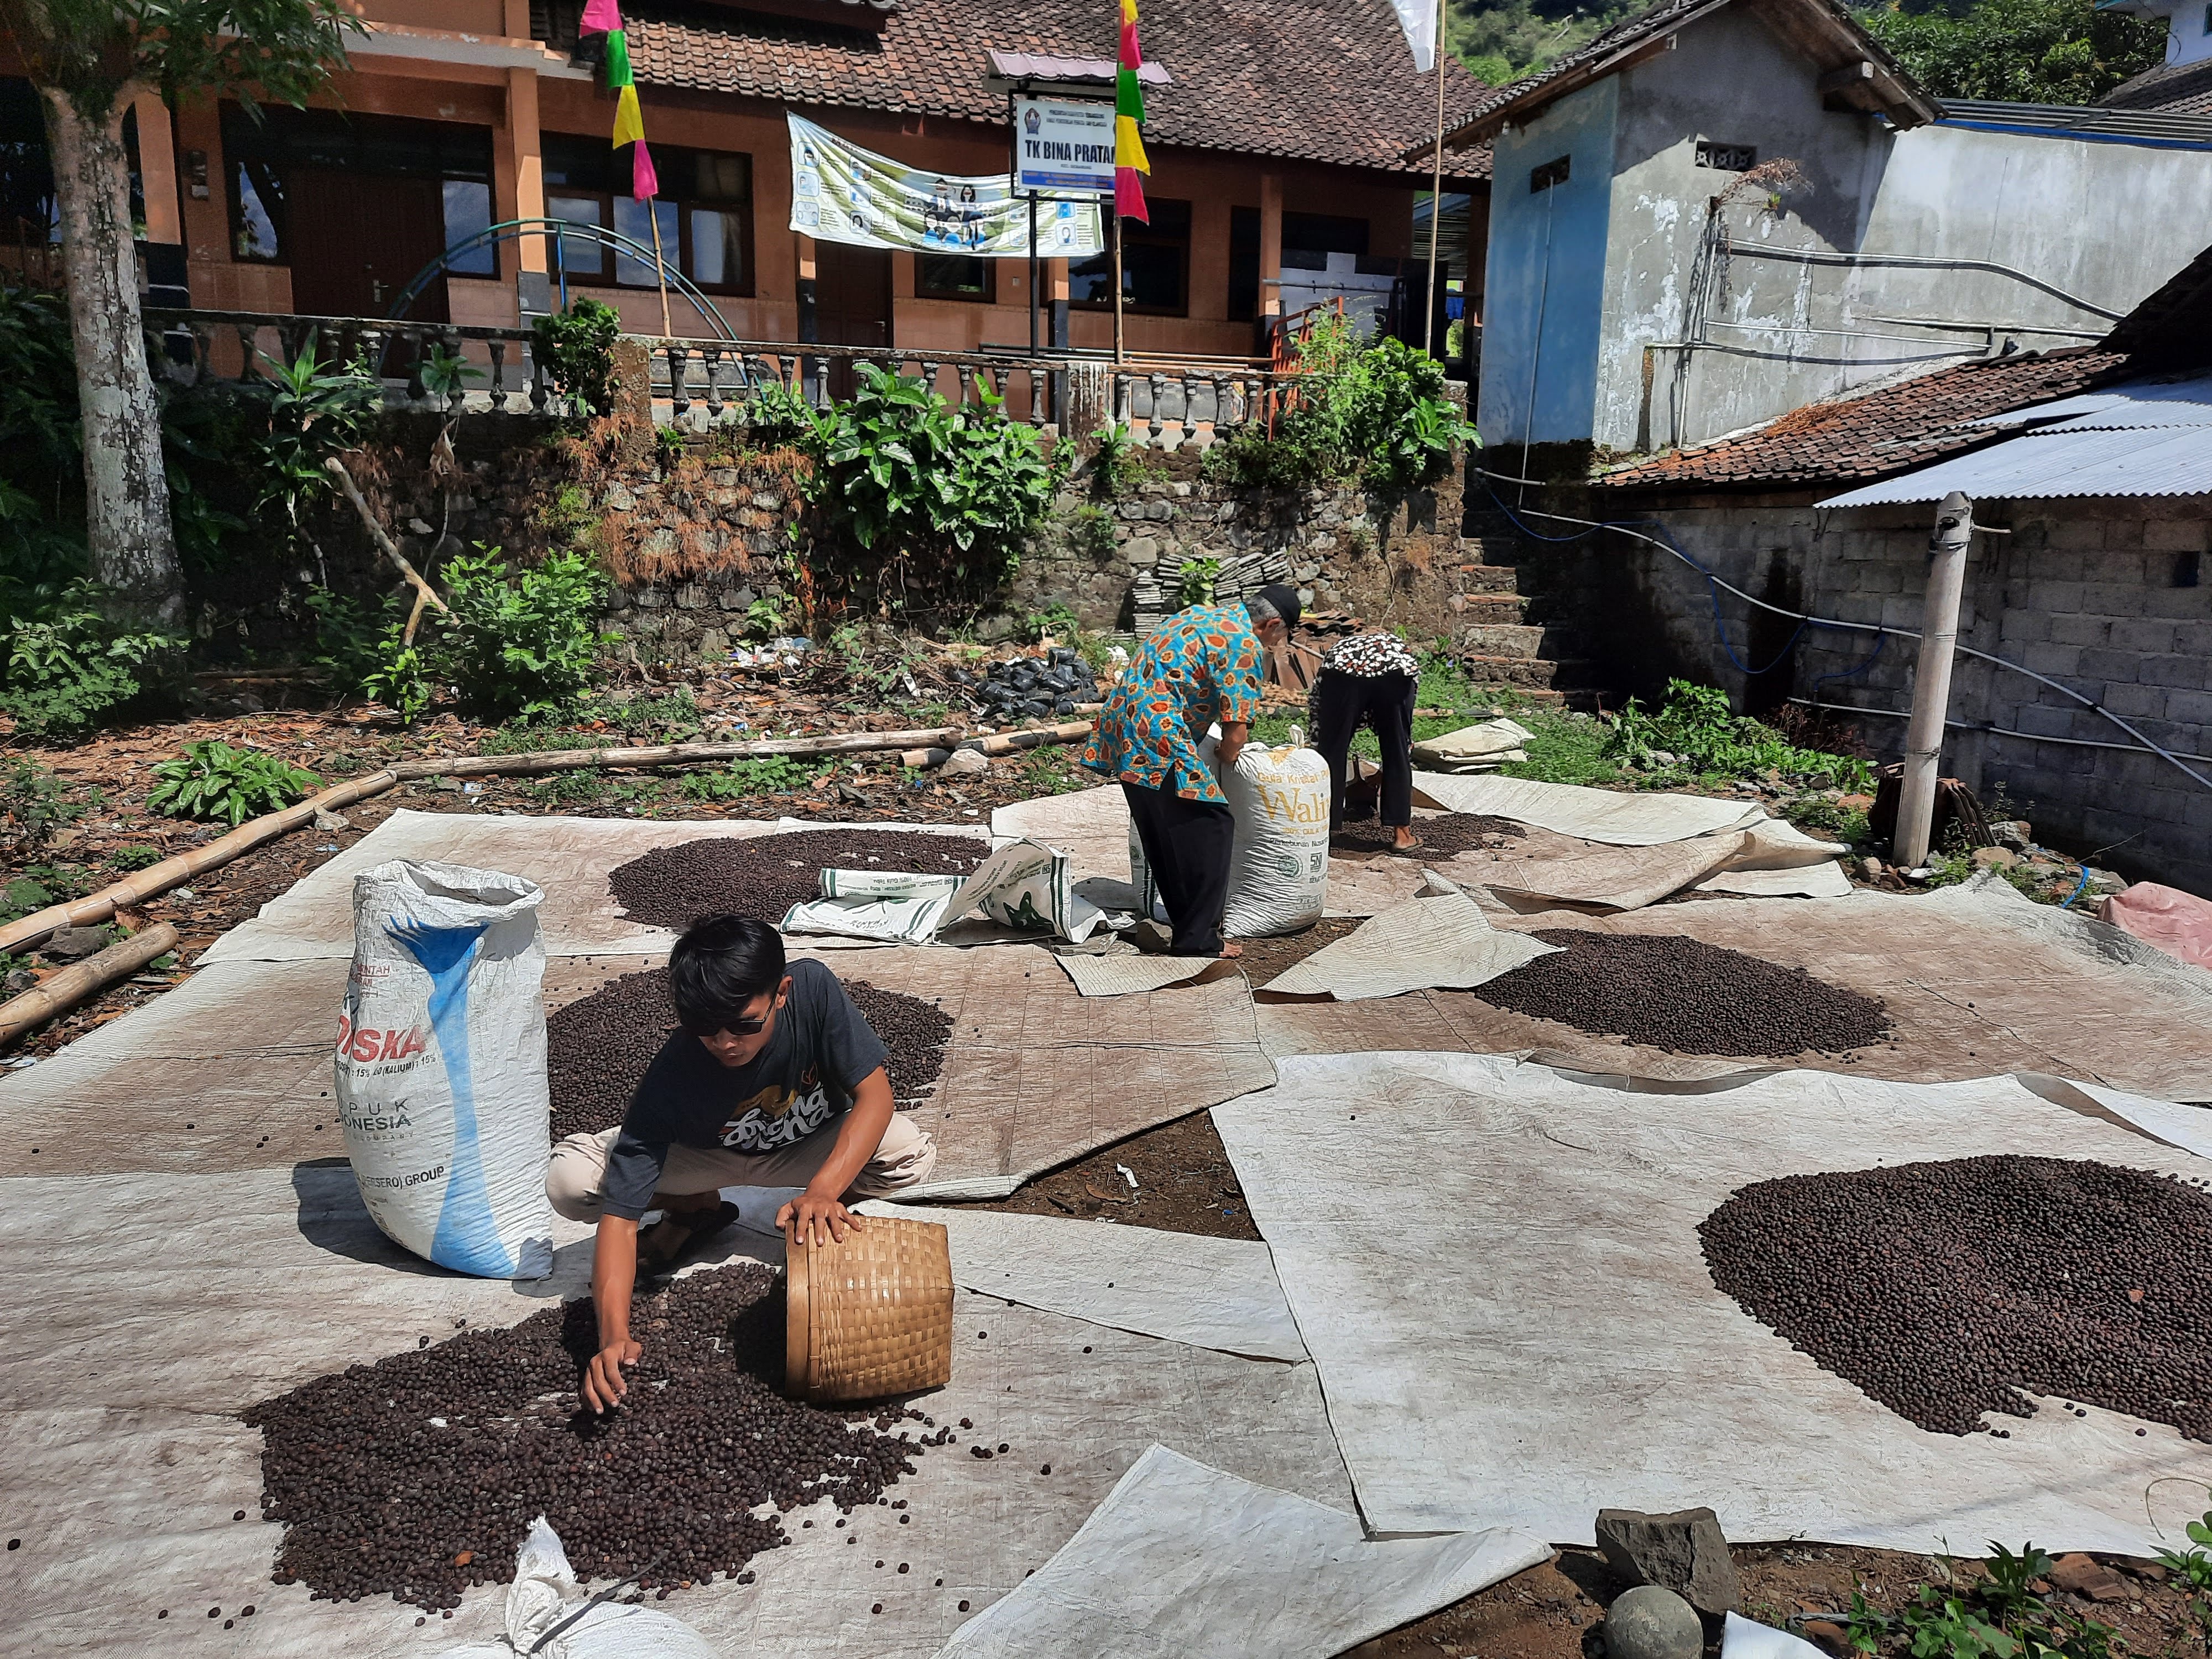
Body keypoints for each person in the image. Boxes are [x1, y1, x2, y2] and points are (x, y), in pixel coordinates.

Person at [545, 914, 936, 1413]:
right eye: (705, 1029)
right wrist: (613, 1338)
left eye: (745, 1025)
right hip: (703, 1159)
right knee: (570, 1181)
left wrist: (823, 1190)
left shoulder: (813, 990)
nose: (726, 1043)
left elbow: (876, 1096)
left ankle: (818, 1217)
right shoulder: (672, 1076)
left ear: (781, 993)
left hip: (801, 1147)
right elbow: (620, 1222)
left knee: (906, 1152)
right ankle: (694, 1210)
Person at [1080, 582, 1301, 958]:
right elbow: (1236, 733)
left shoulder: (1200, 614)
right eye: (1280, 637)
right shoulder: (1243, 643)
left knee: (1166, 832)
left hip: (1124, 726)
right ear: (1271, 624)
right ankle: (1200, 939)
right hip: (1159, 734)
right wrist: (1227, 756)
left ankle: (1189, 928)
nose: (1276, 645)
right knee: (1213, 824)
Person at [1310, 630, 1423, 851]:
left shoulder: (1340, 652)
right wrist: (1402, 745)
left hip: (1343, 674)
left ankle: (1325, 831)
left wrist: (1318, 743)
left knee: (1332, 751)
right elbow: (1403, 731)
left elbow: (1318, 709)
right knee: (1397, 749)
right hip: (1394, 673)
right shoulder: (1398, 653)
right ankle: (1403, 836)